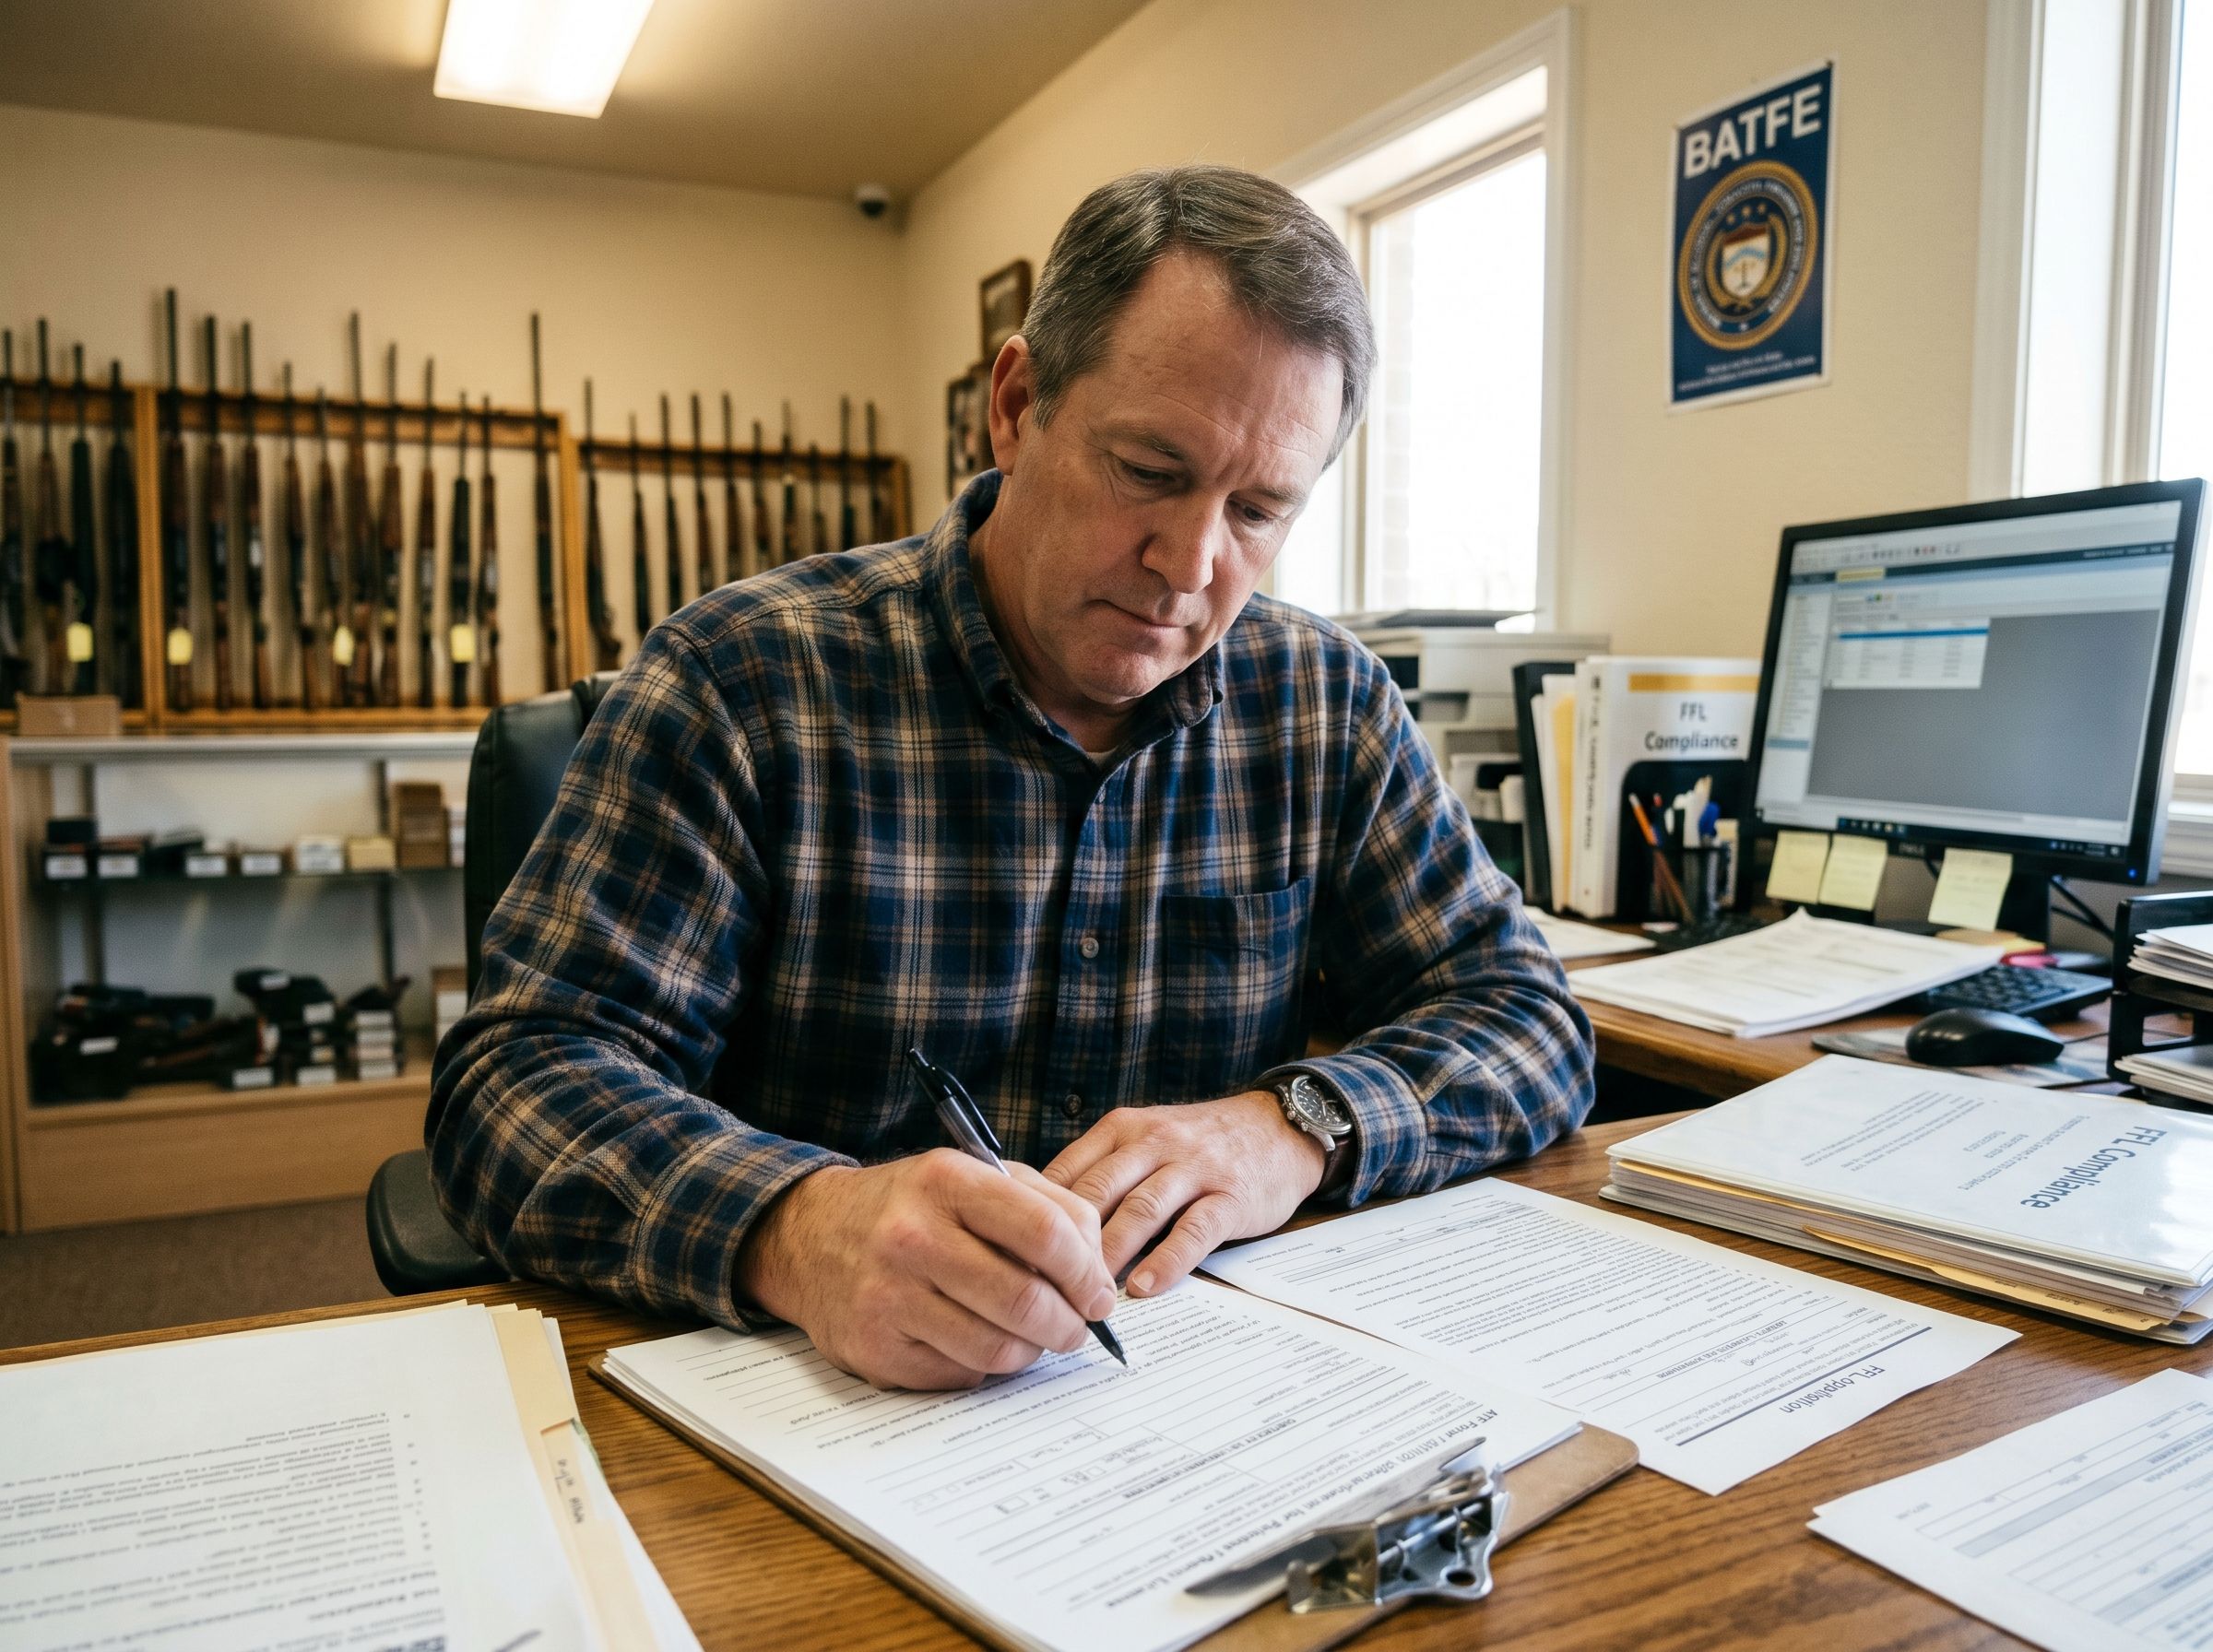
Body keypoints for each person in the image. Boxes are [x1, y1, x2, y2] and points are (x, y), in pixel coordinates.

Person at [430, 164, 1593, 1391]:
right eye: (1148, 468)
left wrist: (1295, 1127)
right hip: (812, 1418)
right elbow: (517, 1084)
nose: (1188, 563)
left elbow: (1529, 1020)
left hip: (1191, 1405)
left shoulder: (1324, 703)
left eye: (1256, 511)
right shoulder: (745, 681)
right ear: (1016, 402)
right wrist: (795, 1226)